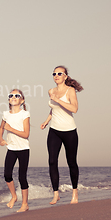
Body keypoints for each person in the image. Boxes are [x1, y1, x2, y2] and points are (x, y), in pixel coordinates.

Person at [40, 65, 84, 205]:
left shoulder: (70, 91)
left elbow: (74, 109)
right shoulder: (51, 91)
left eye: (60, 73)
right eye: (54, 74)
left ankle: (75, 193)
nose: (56, 75)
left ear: (65, 76)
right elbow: (54, 110)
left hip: (70, 131)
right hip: (54, 131)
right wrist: (46, 121)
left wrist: (58, 100)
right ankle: (55, 194)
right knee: (52, 161)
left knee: (71, 162)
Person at [0, 89, 30, 212]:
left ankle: (25, 204)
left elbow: (26, 134)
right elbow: (1, 127)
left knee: (22, 177)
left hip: (23, 149)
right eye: (11, 95)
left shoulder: (25, 114)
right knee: (7, 175)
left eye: (17, 95)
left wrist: (10, 129)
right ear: (8, 100)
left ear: (22, 100)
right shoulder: (6, 114)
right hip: (11, 148)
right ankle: (14, 196)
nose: (13, 97)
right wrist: (0, 139)